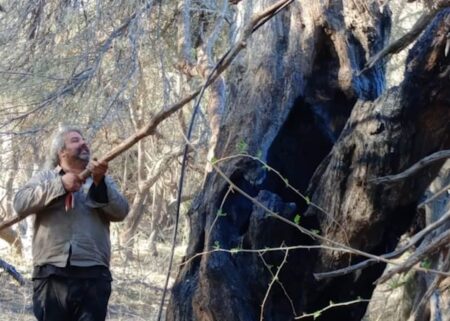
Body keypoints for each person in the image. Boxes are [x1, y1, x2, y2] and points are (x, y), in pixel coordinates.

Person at [13, 126, 129, 321]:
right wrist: (60, 185)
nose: (83, 142)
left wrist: (100, 183)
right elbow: (20, 203)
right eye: (75, 140)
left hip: (93, 274)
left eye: (84, 139)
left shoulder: (100, 180)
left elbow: (121, 212)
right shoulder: (45, 178)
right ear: (62, 152)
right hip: (51, 273)